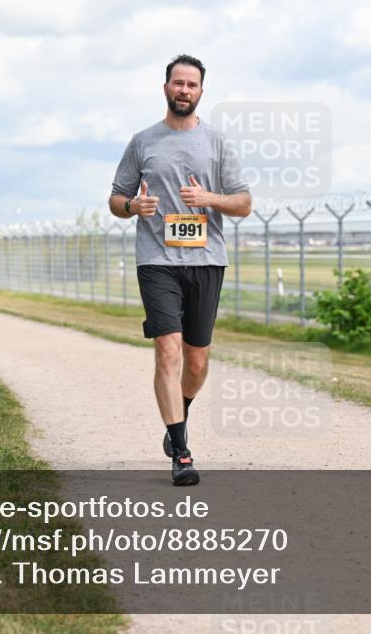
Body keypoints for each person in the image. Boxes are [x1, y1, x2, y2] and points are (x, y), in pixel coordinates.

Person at [109, 54, 252, 486]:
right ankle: (182, 452)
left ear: (201, 91)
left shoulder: (218, 143)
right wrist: (134, 206)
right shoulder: (142, 142)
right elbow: (116, 199)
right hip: (157, 261)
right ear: (166, 87)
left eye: (192, 84)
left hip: (206, 260)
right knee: (167, 349)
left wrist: (209, 200)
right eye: (177, 83)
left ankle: (180, 414)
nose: (184, 90)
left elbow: (244, 203)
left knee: (196, 360)